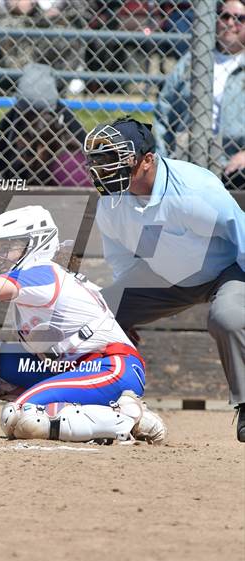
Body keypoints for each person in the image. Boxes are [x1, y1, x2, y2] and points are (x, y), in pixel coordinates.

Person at [0, 205, 166, 444]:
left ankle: (128, 417)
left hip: (111, 367)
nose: (1, 255)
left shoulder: (40, 273)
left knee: (20, 418)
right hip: (78, 365)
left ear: (36, 244)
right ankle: (98, 409)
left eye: (10, 246)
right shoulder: (43, 275)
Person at [83, 116, 245, 441]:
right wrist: (121, 320)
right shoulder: (111, 205)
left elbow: (241, 235)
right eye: (101, 161)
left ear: (147, 160)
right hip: (164, 275)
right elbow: (125, 268)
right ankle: (96, 404)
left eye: (115, 160)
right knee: (94, 317)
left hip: (226, 269)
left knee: (227, 316)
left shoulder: (193, 192)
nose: (104, 170)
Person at [154, 0, 245, 189]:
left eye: (239, 18)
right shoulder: (192, 60)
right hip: (188, 155)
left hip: (234, 161)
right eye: (225, 16)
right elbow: (164, 110)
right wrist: (161, 162)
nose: (229, 23)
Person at [0, 63, 89, 186]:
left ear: (52, 110)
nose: (34, 119)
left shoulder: (66, 119)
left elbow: (85, 155)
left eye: (43, 114)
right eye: (27, 115)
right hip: (17, 181)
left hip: (56, 184)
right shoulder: (10, 121)